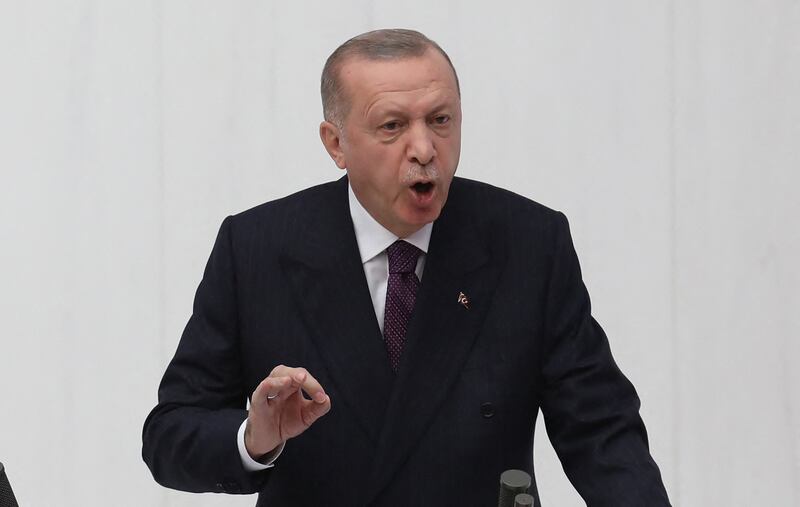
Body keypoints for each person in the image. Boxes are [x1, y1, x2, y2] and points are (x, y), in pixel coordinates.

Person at [142, 29, 671, 506]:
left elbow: (602, 433)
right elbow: (169, 438)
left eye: (441, 121)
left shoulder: (528, 241)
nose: (425, 149)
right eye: (392, 126)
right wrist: (254, 439)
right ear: (336, 143)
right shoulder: (256, 246)